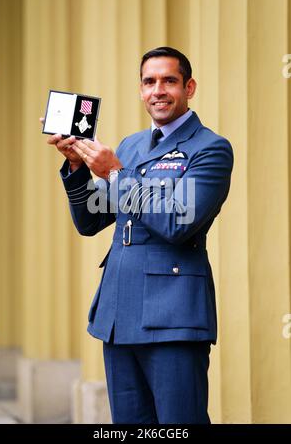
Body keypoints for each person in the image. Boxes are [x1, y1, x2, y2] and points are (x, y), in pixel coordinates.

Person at [46, 46, 233, 424]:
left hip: (173, 313)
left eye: (169, 81)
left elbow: (178, 223)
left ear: (189, 87)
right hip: (119, 313)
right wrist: (77, 166)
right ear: (141, 89)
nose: (158, 90)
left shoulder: (210, 148)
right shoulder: (131, 146)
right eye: (149, 81)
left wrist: (116, 173)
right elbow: (90, 220)